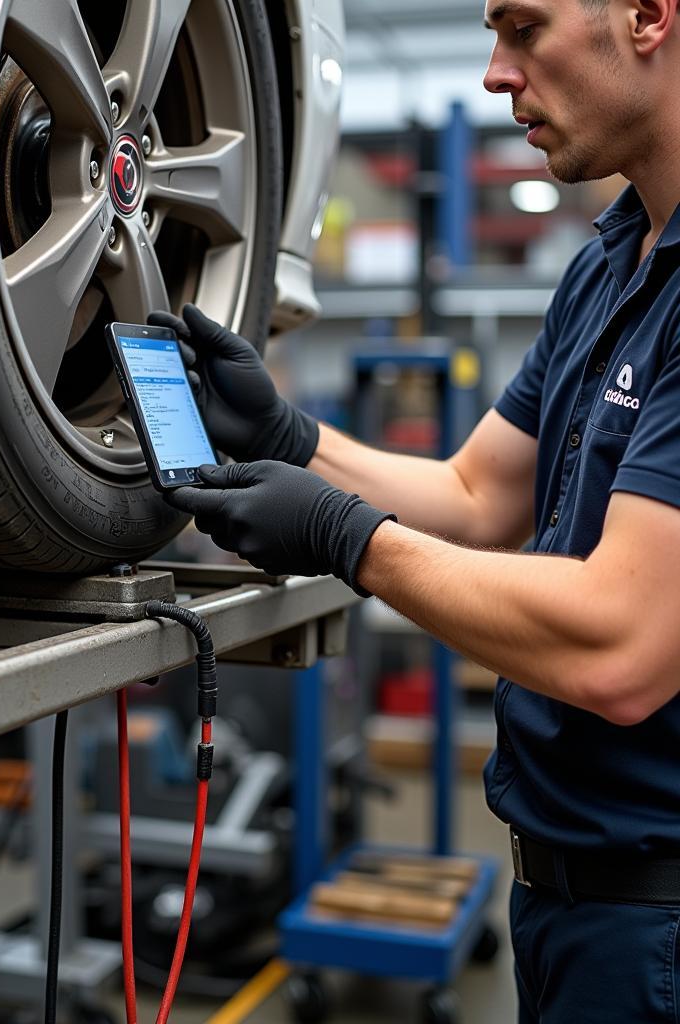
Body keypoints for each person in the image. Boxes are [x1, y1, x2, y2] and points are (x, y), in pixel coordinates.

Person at [150, 1, 680, 1019]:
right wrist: (289, 439)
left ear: (648, 15)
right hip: (569, 903)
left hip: (658, 924)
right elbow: (477, 495)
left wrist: (345, 539)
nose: (494, 71)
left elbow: (624, 645)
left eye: (525, 28)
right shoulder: (609, 262)